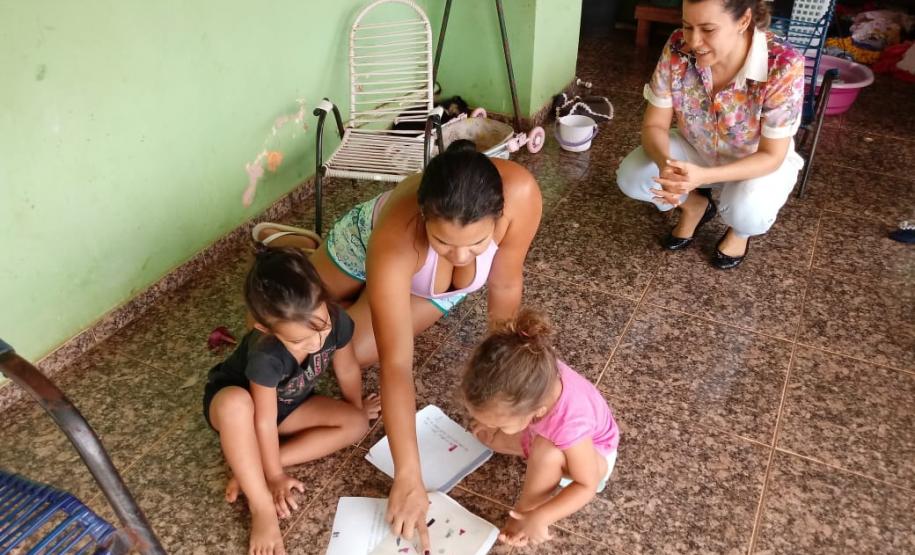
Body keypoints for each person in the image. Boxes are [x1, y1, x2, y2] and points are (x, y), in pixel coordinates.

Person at [254, 140, 543, 550]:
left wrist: (504, 384)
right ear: (425, 218)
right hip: (361, 248)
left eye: (477, 245)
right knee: (307, 319)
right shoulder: (395, 240)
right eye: (444, 242)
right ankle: (308, 253)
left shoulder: (522, 196)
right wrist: (408, 475)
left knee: (353, 348)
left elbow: (506, 282)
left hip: (430, 286)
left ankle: (377, 297)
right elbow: (397, 365)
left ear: (498, 217)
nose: (462, 256)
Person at [202, 246, 380, 555]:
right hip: (242, 412)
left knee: (357, 423)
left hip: (290, 406)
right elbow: (263, 419)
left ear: (326, 299)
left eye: (321, 326)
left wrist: (355, 406)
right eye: (299, 340)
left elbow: (348, 367)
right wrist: (274, 478)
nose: (315, 342)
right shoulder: (266, 353)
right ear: (265, 329)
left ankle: (249, 468)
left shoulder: (336, 320)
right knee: (235, 404)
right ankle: (261, 508)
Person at [616, 0, 805, 269]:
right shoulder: (677, 46)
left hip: (754, 161)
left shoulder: (784, 65)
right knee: (633, 176)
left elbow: (772, 156)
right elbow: (654, 126)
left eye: (708, 29)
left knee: (748, 208)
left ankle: (740, 232)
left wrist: (702, 177)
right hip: (696, 145)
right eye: (687, 25)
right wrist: (666, 166)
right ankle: (695, 205)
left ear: (743, 21)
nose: (693, 41)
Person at [461, 308, 620, 548]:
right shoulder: (531, 369)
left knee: (546, 453)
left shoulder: (570, 424)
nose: (493, 426)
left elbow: (587, 484)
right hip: (544, 429)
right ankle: (531, 448)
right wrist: (494, 423)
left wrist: (541, 516)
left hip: (595, 457)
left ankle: (524, 509)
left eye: (500, 422)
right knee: (486, 437)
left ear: (535, 412)